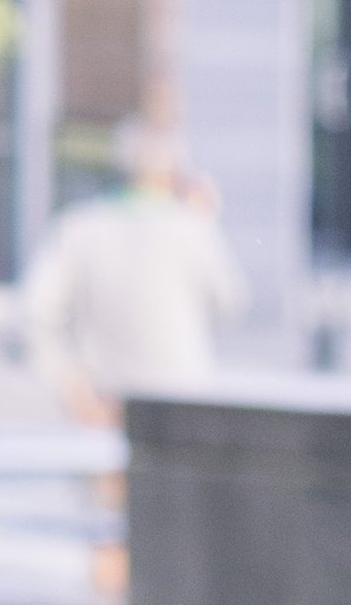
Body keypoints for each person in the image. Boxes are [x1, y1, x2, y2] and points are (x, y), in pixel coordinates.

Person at [24, 122, 246, 422]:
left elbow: (34, 315)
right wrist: (207, 221)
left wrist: (69, 383)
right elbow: (230, 302)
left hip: (103, 401)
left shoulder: (77, 228)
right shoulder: (193, 229)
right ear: (173, 173)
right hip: (181, 399)